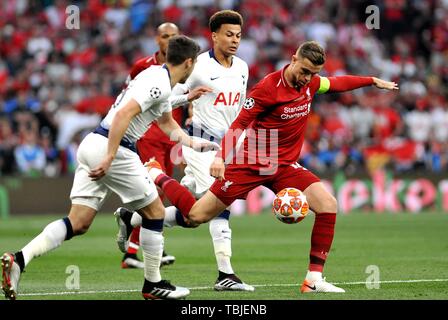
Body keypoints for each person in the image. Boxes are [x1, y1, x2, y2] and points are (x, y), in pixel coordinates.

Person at [142, 41, 399, 293]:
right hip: (251, 163)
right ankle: (157, 174)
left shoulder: (310, 82)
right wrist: (221, 157)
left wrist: (371, 80)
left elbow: (336, 84)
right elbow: (240, 124)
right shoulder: (268, 88)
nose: (307, 78)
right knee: (196, 216)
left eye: (314, 74)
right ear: (293, 59)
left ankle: (313, 279)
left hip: (284, 165)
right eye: (304, 71)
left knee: (328, 204)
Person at [1, 35, 217, 300]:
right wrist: (110, 157)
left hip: (92, 143)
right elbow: (125, 114)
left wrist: (193, 143)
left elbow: (166, 123)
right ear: (189, 62)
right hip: (114, 148)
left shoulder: (156, 78)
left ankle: (19, 260)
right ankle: (153, 284)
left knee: (78, 222)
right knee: (155, 212)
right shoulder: (159, 84)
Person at [116, 10, 254, 291]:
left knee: (193, 215)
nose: (235, 40)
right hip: (201, 144)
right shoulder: (198, 66)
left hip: (227, 148)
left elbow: (236, 110)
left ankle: (132, 218)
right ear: (214, 36)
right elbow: (166, 97)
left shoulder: (242, 67)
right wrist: (188, 103)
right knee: (220, 206)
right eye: (229, 34)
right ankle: (225, 274)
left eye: (238, 35)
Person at [117, 22, 182, 270]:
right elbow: (126, 98)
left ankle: (133, 251)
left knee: (160, 193)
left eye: (174, 36)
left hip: (171, 136)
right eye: (165, 36)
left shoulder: (186, 64)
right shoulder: (142, 66)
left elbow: (184, 102)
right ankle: (147, 248)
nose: (170, 40)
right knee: (153, 189)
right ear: (157, 40)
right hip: (147, 135)